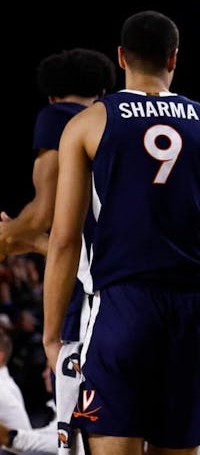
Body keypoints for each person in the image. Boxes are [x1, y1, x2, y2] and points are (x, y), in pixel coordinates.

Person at [41, 10, 200, 455]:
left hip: (123, 303)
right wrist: (189, 255)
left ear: (121, 57)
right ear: (174, 58)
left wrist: (53, 336)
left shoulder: (90, 123)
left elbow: (65, 239)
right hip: (191, 309)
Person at [0, 47, 115, 454]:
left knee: (82, 439)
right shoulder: (120, 126)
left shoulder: (59, 118)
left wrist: (8, 238)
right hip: (141, 297)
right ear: (103, 91)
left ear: (51, 97)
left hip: (89, 306)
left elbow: (44, 213)